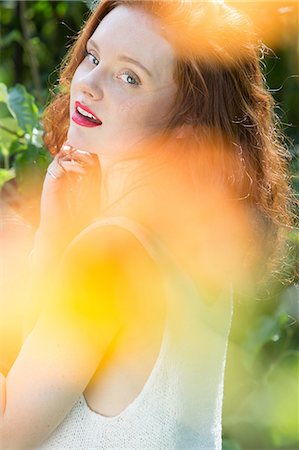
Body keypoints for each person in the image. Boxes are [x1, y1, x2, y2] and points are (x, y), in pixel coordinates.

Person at [0, 0, 294, 448]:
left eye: (129, 77)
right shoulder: (191, 250)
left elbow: (9, 433)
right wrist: (53, 240)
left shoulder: (110, 252)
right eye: (93, 57)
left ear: (187, 126)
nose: (90, 84)